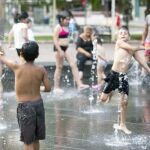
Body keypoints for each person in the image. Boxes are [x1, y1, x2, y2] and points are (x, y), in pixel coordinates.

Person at [99, 26, 150, 135]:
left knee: (125, 101)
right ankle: (110, 92)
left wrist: (148, 69)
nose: (122, 34)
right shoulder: (119, 43)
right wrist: (145, 47)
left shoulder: (131, 49)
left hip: (123, 77)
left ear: (129, 36)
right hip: (114, 75)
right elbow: (133, 48)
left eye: (125, 33)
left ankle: (122, 124)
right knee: (103, 99)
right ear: (118, 36)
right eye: (120, 33)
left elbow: (141, 60)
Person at [0, 41, 51, 150]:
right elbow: (48, 88)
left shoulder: (17, 67)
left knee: (28, 142)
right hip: (39, 106)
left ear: (21, 54)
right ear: (37, 55)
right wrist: (39, 88)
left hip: (25, 108)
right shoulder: (41, 69)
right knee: (36, 138)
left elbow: (2, 57)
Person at [53, 11, 89, 94]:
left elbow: (67, 38)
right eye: (67, 19)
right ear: (61, 19)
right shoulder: (58, 27)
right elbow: (55, 40)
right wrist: (60, 50)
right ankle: (56, 87)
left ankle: (79, 84)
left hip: (66, 48)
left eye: (69, 19)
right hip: (59, 48)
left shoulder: (67, 26)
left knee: (73, 64)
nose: (68, 21)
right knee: (59, 67)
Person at [141, 8, 150, 74]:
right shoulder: (148, 17)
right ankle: (143, 75)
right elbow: (145, 29)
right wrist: (143, 40)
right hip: (148, 41)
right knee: (146, 58)